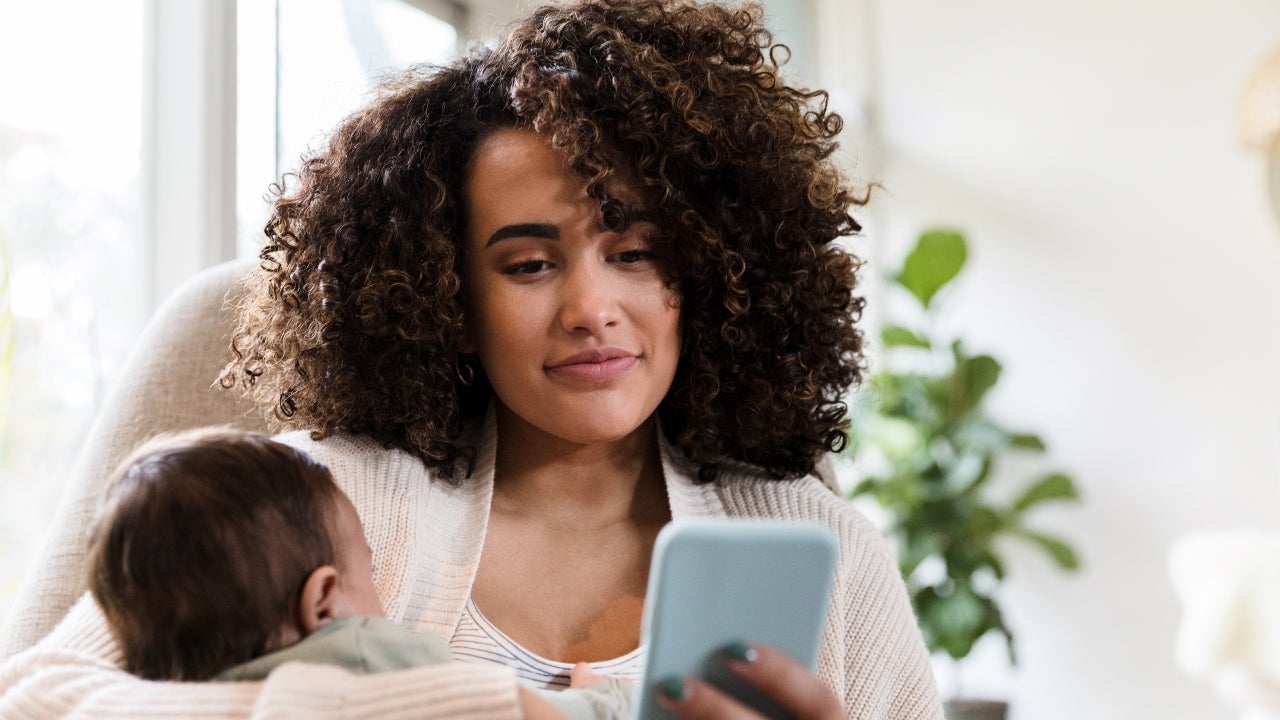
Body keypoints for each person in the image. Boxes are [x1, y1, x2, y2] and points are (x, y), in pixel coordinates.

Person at [0, 0, 943, 717]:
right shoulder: (328, 505)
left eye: (636, 253)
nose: (589, 309)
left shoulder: (828, 558)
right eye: (530, 264)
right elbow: (38, 698)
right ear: (446, 292)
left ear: (706, 268)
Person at [84, 428, 632, 720]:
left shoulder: (169, 691)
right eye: (366, 570)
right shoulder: (368, 658)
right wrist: (604, 701)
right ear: (324, 598)